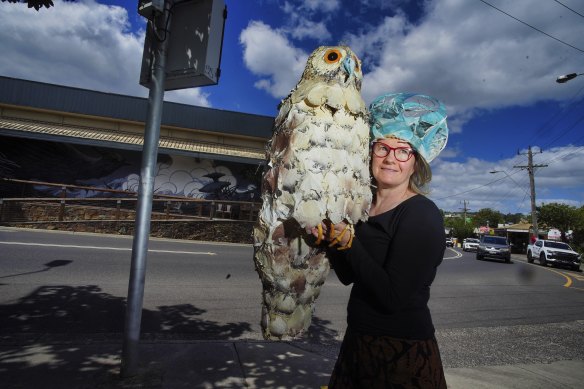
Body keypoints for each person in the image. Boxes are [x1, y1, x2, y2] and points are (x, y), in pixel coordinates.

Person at [313, 92, 449, 388]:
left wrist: (349, 244)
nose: (390, 158)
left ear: (416, 162)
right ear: (370, 153)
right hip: (358, 342)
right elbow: (350, 275)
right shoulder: (365, 207)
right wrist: (330, 241)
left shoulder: (421, 214)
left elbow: (392, 297)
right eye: (382, 148)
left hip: (401, 353)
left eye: (403, 151)